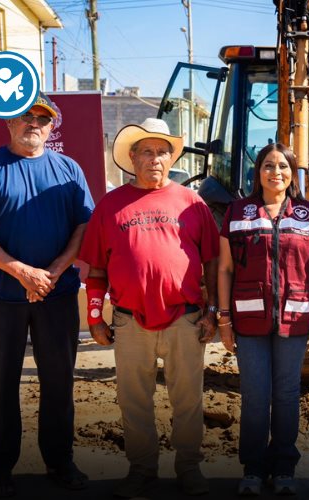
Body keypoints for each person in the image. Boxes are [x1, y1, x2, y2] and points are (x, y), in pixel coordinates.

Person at [0, 93, 94, 497]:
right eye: (25, 117)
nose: (34, 123)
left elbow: (83, 228)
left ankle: (60, 463)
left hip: (57, 294)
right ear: (9, 124)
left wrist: (52, 272)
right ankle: (0, 468)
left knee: (59, 381)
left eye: (42, 118)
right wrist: (21, 271)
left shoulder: (69, 170)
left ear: (52, 127)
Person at [78, 118, 220, 498]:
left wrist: (213, 312)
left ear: (172, 158)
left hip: (185, 318)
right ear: (132, 157)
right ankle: (142, 470)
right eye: (146, 151)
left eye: (162, 151)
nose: (155, 158)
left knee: (188, 400)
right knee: (133, 400)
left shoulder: (192, 202)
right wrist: (95, 317)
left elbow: (212, 263)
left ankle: (189, 467)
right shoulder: (110, 206)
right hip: (129, 323)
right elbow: (95, 269)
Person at [217, 143, 309, 496]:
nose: (275, 172)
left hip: (294, 320)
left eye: (282, 166)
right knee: (255, 394)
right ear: (257, 171)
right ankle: (252, 468)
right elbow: (225, 268)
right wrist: (224, 319)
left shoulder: (308, 214)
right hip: (248, 323)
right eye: (267, 165)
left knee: (287, 394)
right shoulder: (237, 211)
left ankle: (283, 469)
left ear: (293, 173)